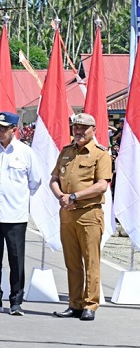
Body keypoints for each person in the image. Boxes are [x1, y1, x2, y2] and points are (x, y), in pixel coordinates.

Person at [0, 112, 41, 316]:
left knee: (16, 260)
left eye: (4, 128)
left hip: (15, 216)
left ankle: (16, 302)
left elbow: (35, 181)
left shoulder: (25, 152)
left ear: (15, 130)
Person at [50, 113, 112, 321]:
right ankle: (74, 303)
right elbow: (54, 178)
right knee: (72, 261)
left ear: (93, 130)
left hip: (89, 213)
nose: (78, 131)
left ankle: (90, 304)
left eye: (83, 128)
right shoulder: (66, 152)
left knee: (90, 261)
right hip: (67, 213)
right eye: (75, 127)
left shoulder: (101, 154)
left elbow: (102, 184)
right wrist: (61, 196)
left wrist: (75, 196)